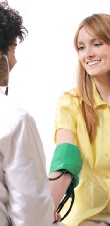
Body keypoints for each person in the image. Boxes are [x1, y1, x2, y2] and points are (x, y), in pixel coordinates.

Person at [49, 13, 110, 226]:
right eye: (81, 47)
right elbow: (66, 162)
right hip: (84, 214)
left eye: (96, 44)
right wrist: (50, 205)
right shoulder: (69, 102)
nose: (88, 54)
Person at [0, 2, 66, 226]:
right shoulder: (14, 120)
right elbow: (32, 217)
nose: (15, 60)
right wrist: (49, 212)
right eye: (13, 50)